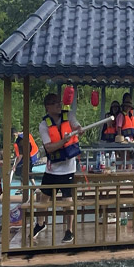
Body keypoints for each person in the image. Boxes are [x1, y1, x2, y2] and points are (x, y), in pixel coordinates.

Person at [35, 91, 85, 243]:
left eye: (59, 102)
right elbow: (49, 148)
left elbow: (76, 125)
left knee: (67, 200)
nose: (59, 105)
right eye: (54, 102)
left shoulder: (68, 116)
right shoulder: (44, 125)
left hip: (68, 168)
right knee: (44, 197)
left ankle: (69, 230)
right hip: (52, 169)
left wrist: (78, 129)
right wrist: (63, 141)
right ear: (47, 107)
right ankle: (40, 224)